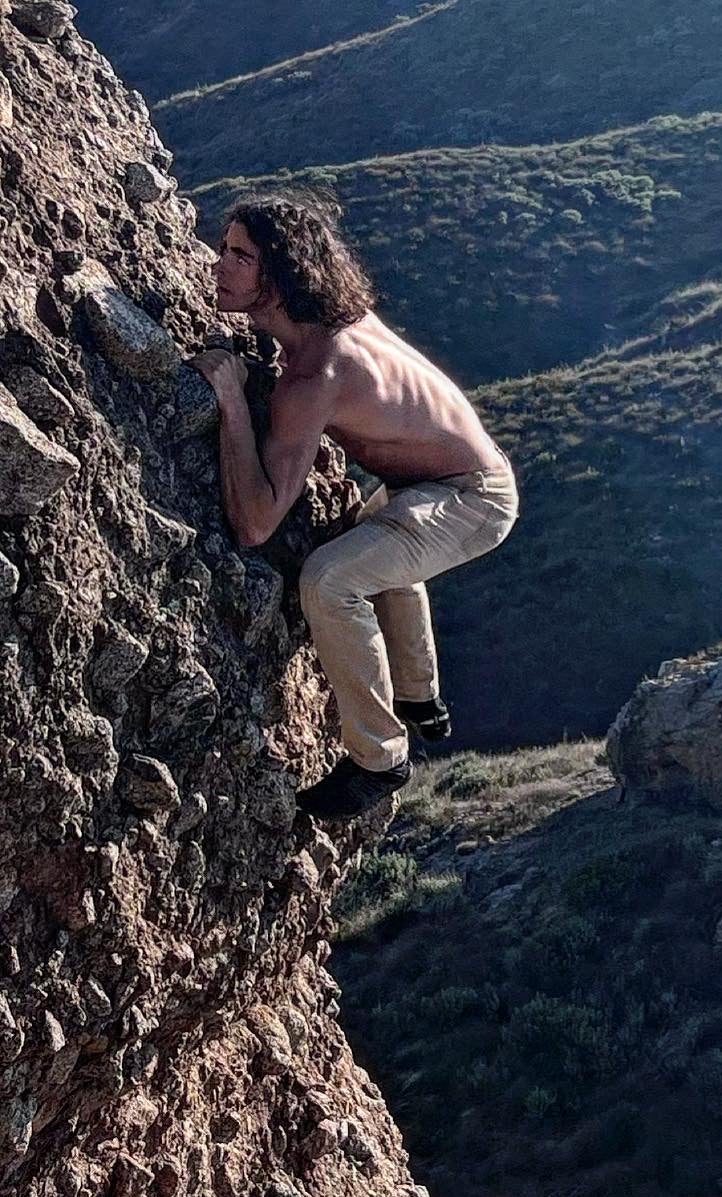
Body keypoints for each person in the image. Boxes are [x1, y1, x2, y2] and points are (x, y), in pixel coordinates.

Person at [190, 190, 518, 820]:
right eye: (224, 248)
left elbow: (255, 523)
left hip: (472, 498)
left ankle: (379, 758)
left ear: (282, 275)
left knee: (332, 579)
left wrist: (231, 396)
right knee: (377, 538)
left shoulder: (316, 375)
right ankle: (420, 697)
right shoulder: (343, 315)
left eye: (239, 256)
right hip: (443, 481)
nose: (218, 264)